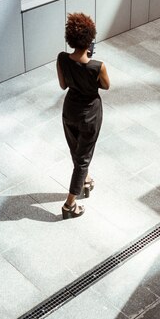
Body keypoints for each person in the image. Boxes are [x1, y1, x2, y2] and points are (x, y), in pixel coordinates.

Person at [56, 13, 110, 219]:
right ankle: (70, 204)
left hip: (69, 110)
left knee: (76, 150)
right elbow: (106, 86)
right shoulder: (98, 66)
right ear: (89, 40)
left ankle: (85, 180)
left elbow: (63, 85)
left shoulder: (62, 58)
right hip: (90, 115)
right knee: (83, 158)